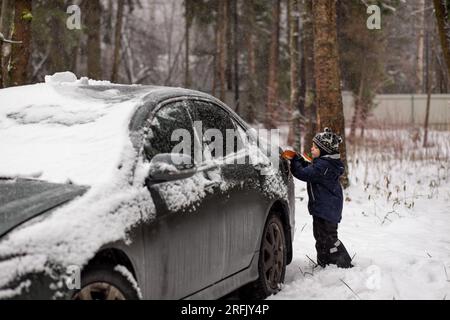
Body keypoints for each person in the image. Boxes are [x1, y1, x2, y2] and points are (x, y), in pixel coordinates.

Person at [282, 128, 353, 268]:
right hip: (323, 209)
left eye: (315, 147)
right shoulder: (323, 164)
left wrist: (295, 160)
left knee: (329, 238)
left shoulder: (324, 167)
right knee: (320, 237)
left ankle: (343, 263)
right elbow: (310, 168)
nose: (312, 149)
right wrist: (301, 160)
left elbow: (305, 174)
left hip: (327, 210)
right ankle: (325, 263)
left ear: (324, 150)